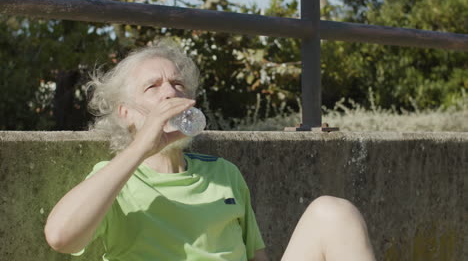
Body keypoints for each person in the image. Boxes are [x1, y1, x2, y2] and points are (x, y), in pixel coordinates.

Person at [44, 39, 375, 261]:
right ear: (125, 113)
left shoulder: (223, 173)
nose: (170, 93)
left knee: (333, 212)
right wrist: (141, 147)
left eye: (177, 84)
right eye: (152, 87)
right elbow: (61, 236)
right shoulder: (113, 179)